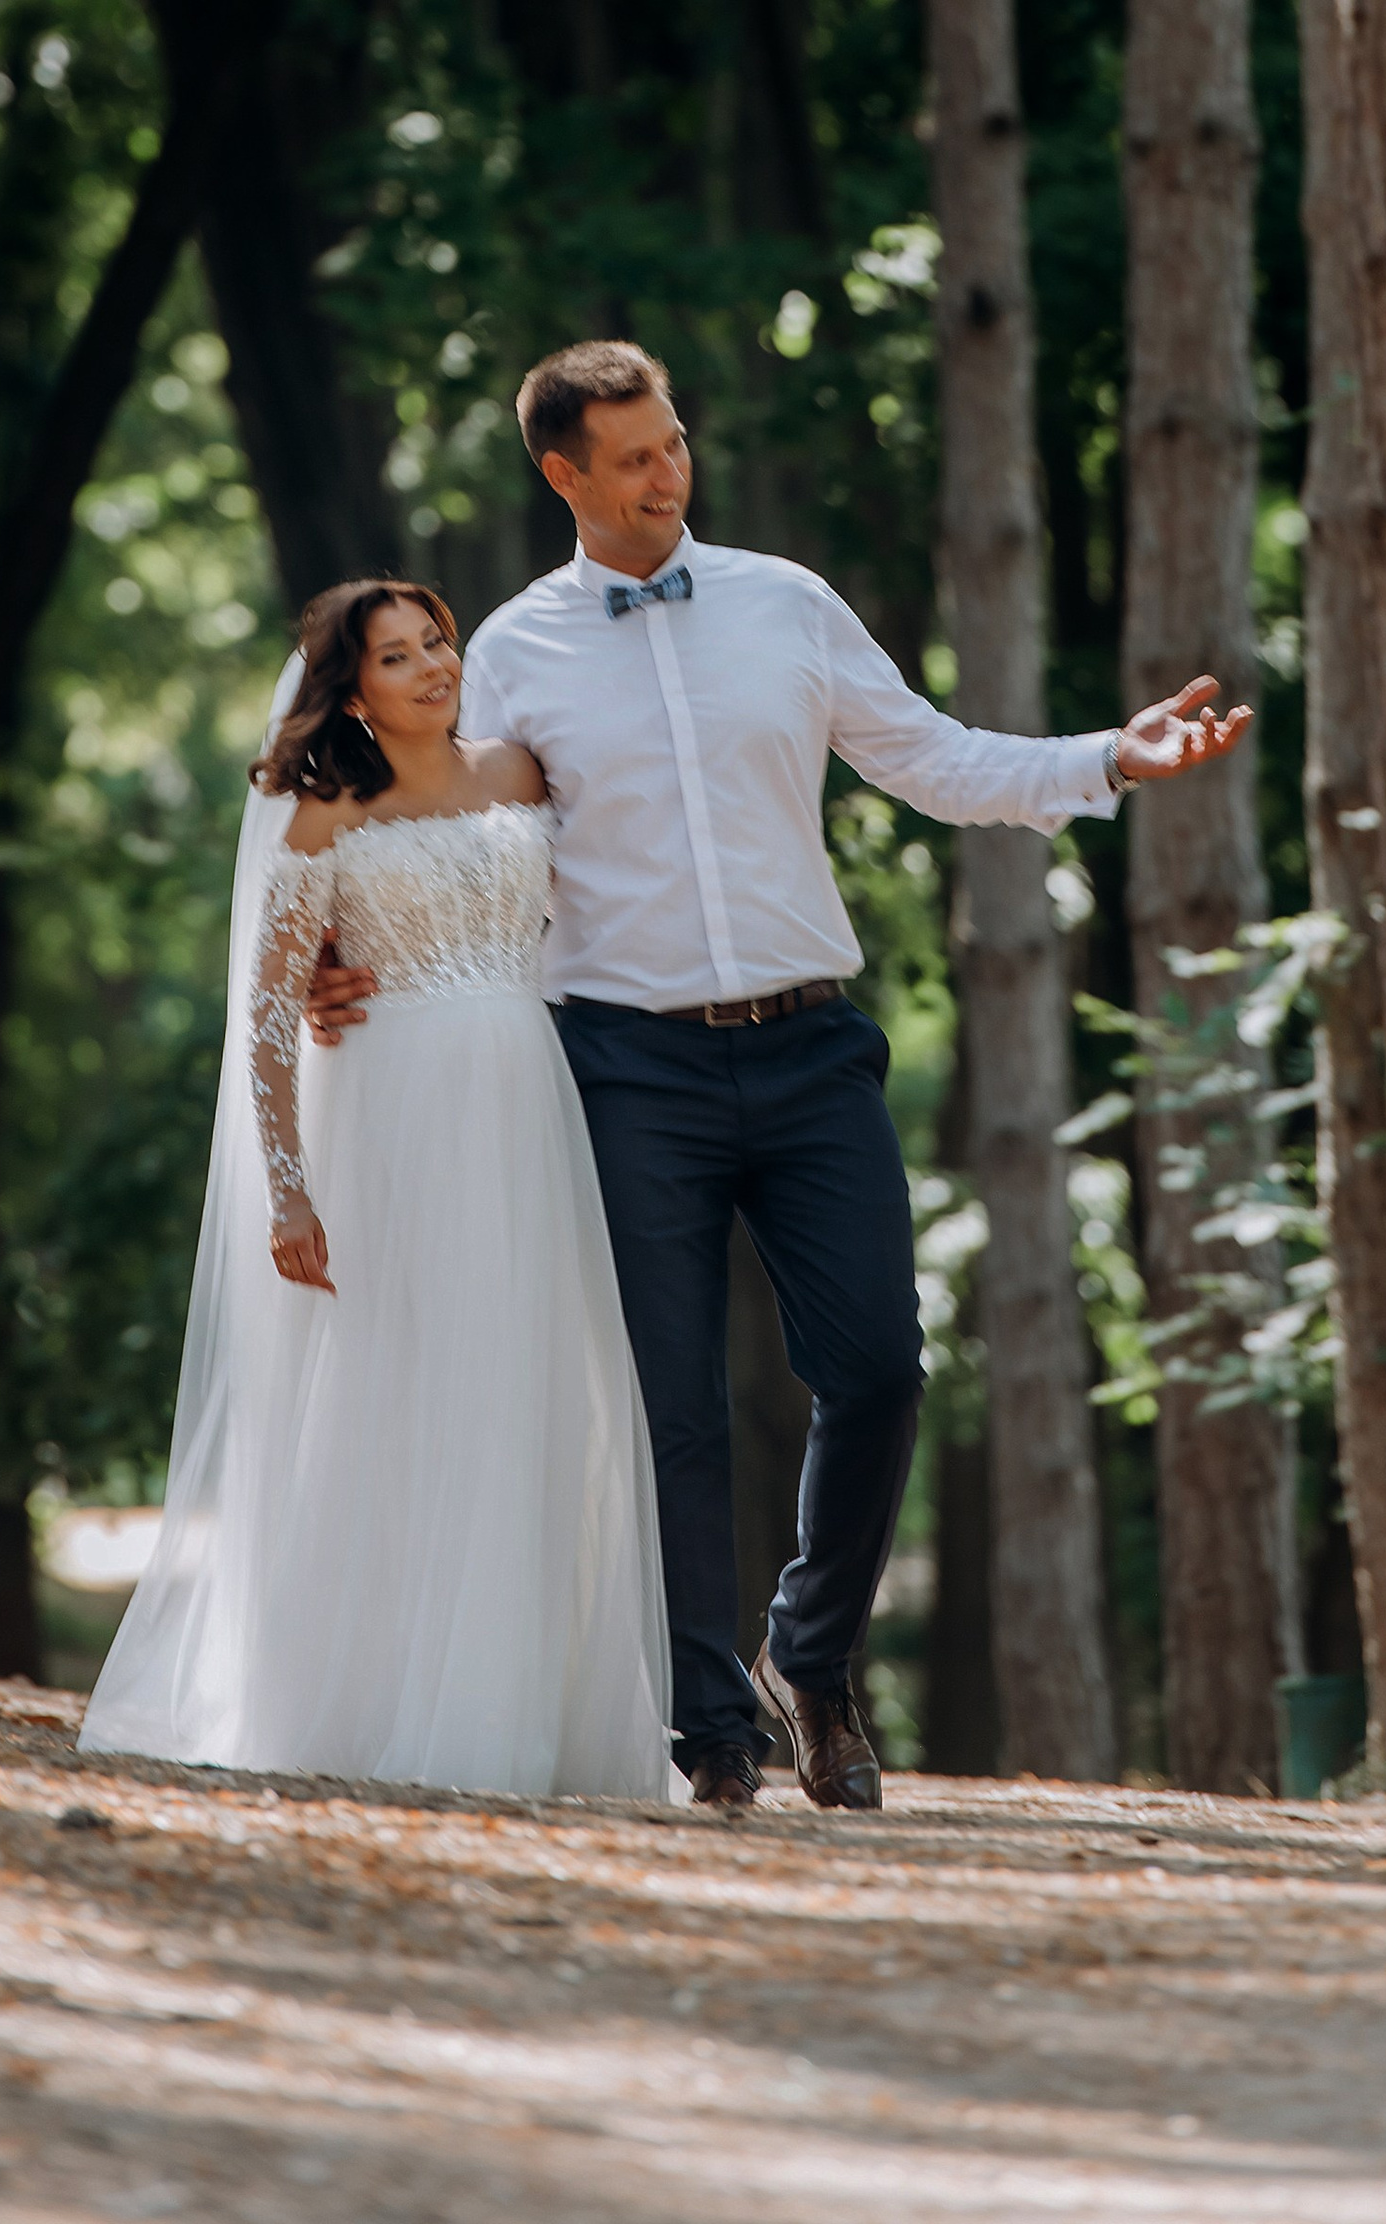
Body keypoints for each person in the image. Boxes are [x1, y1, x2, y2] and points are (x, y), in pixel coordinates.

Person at [309, 341, 1252, 1815]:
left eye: (673, 441)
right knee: (668, 1404)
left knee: (877, 1364)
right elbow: (436, 820)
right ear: (564, 476)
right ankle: (710, 1726)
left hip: (813, 1048)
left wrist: (1106, 761)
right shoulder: (509, 649)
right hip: (623, 1064)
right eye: (631, 456)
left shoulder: (787, 603)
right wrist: (335, 954)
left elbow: (930, 759)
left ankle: (806, 1658)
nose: (667, 471)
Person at [78, 577, 670, 1802]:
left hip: (526, 1098)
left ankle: (531, 1706)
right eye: (396, 656)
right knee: (410, 1386)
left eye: (436, 641)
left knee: (528, 1385)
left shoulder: (520, 774)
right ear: (352, 689)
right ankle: (396, 1695)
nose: (429, 665)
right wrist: (288, 1193)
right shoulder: (322, 814)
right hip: (399, 1114)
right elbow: (267, 1013)